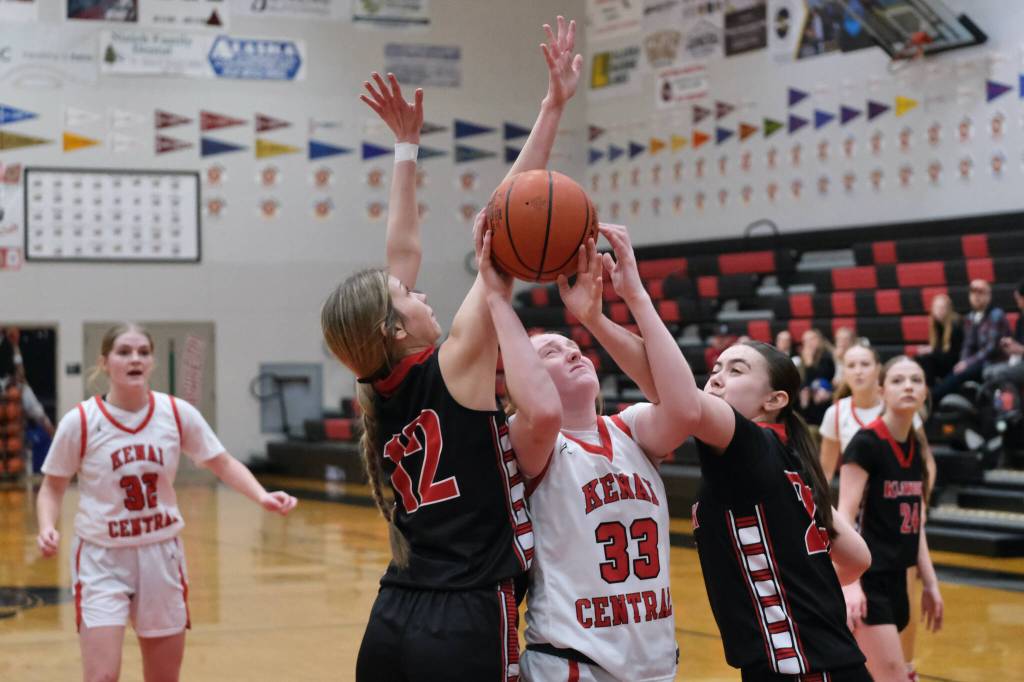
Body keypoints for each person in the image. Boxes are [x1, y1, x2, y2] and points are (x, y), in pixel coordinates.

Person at [321, 17, 582, 681]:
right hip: (465, 616)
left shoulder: (379, 388)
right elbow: (514, 215)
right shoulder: (457, 365)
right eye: (407, 298)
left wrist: (407, 150)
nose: (422, 294)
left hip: (392, 615)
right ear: (395, 329)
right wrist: (552, 107)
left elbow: (399, 253)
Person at [35, 323, 298, 682]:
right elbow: (52, 486)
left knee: (163, 677)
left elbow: (220, 461)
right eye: (124, 352)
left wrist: (261, 495)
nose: (135, 359)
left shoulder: (176, 414)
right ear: (104, 362)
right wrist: (47, 527)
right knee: (101, 676)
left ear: (152, 362)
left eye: (143, 352)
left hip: (160, 554)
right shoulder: (81, 421)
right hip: (101, 558)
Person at [519, 225, 688, 682]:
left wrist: (616, 308)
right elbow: (536, 412)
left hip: (654, 664)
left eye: (573, 346)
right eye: (552, 352)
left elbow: (682, 404)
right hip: (573, 665)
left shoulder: (631, 428)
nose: (572, 351)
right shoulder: (534, 442)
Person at [669, 336, 872, 679]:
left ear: (775, 399)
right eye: (716, 368)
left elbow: (673, 392)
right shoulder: (788, 458)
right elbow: (858, 558)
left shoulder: (751, 448)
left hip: (800, 667)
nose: (716, 377)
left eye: (736, 370)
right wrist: (806, 594)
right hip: (809, 660)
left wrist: (622, 305)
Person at [839, 357, 943, 682]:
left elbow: (915, 525)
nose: (909, 385)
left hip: (899, 578)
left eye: (916, 379)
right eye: (898, 380)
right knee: (895, 675)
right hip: (868, 580)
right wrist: (850, 583)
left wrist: (930, 582)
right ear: (882, 391)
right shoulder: (866, 443)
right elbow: (842, 518)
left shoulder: (916, 445)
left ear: (926, 392)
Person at [819, 342, 934, 483]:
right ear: (844, 372)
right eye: (851, 366)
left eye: (865, 364)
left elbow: (927, 463)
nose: (858, 371)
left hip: (899, 498)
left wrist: (922, 502)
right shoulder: (835, 413)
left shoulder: (900, 406)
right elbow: (825, 473)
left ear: (878, 369)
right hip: (854, 501)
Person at [932, 279, 1009, 403]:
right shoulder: (970, 317)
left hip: (992, 362)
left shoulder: (996, 315)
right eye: (973, 292)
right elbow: (967, 344)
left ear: (989, 295)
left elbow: (991, 349)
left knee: (959, 374)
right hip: (975, 362)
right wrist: (963, 361)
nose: (976, 296)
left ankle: (932, 398)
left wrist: (967, 363)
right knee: (952, 368)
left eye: (981, 292)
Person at [913, 294, 963, 387]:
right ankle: (922, 387)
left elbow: (953, 354)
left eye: (942, 308)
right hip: (943, 360)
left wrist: (932, 350)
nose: (939, 311)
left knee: (927, 359)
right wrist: (931, 349)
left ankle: (929, 390)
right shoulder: (936, 325)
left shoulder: (956, 325)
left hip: (954, 364)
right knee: (918, 358)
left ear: (949, 309)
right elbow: (939, 350)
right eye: (937, 308)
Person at [798, 328, 835, 426]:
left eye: (811, 339)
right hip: (810, 394)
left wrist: (809, 363)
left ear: (819, 340)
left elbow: (821, 379)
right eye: (805, 341)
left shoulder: (826, 356)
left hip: (826, 391)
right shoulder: (804, 358)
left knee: (819, 394)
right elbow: (803, 380)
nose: (808, 343)